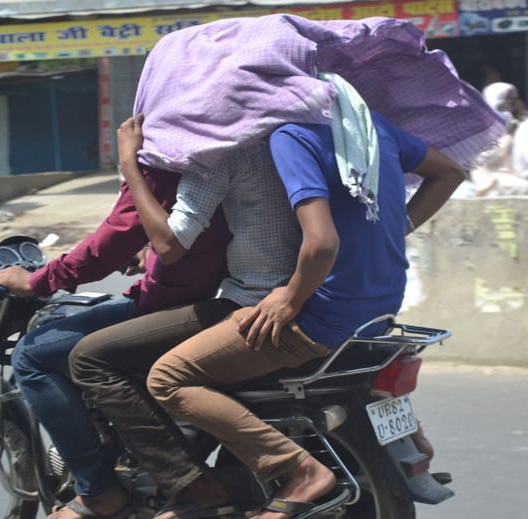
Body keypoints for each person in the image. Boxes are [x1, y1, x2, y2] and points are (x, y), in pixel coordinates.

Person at [67, 14, 502, 519]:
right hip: (379, 310)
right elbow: (449, 172)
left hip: (320, 315)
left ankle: (293, 473)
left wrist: (289, 298)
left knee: (164, 377)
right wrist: (392, 229)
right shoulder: (366, 129)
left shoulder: (286, 138)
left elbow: (319, 243)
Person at [0, 168, 230, 519]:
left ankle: (98, 490)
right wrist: (148, 253)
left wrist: (37, 281)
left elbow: (116, 235)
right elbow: (187, 231)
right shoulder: (209, 155)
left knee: (31, 356)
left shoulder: (158, 160)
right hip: (207, 290)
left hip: (179, 303)